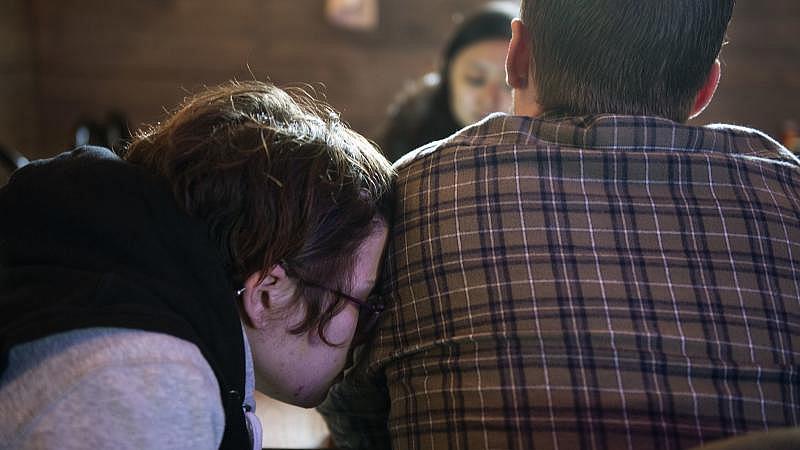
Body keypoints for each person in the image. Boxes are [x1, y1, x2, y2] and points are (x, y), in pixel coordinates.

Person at [319, 1, 800, 449]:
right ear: (705, 89)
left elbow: (350, 405)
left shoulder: (413, 189)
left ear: (517, 56)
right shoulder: (788, 192)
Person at [0, 80, 393, 450]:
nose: (369, 335)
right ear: (268, 292)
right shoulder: (148, 388)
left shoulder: (115, 287)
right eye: (362, 303)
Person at [378, 1, 517, 162]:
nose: (490, 98)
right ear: (447, 74)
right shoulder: (409, 129)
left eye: (509, 84)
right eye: (475, 79)